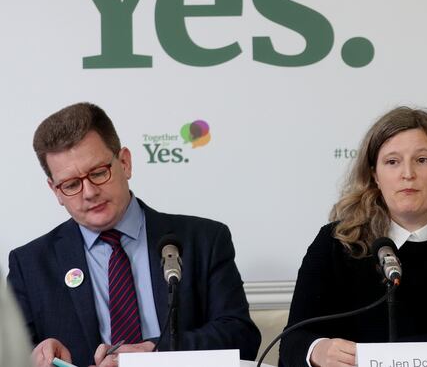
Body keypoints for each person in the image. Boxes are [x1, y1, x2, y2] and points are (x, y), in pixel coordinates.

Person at [8, 102, 261, 367]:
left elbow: (241, 337)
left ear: (125, 163)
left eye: (99, 173)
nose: (90, 192)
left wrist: (156, 353)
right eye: (71, 185)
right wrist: (34, 356)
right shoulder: (30, 265)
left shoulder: (204, 240)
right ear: (56, 191)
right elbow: (13, 356)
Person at [279, 107, 427, 367]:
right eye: (392, 162)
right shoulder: (337, 242)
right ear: (375, 175)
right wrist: (317, 350)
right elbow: (293, 342)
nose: (408, 174)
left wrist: (387, 357)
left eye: (422, 160)